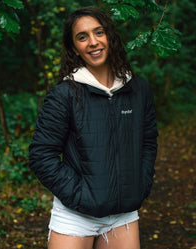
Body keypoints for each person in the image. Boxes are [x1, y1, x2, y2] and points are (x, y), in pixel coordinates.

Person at [29, 6, 158, 249]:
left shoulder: (138, 89)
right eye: (82, 36)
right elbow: (41, 155)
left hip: (124, 214)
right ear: (74, 48)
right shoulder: (64, 94)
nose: (93, 42)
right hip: (76, 216)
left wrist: (140, 184)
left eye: (98, 32)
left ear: (110, 36)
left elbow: (148, 141)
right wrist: (80, 196)